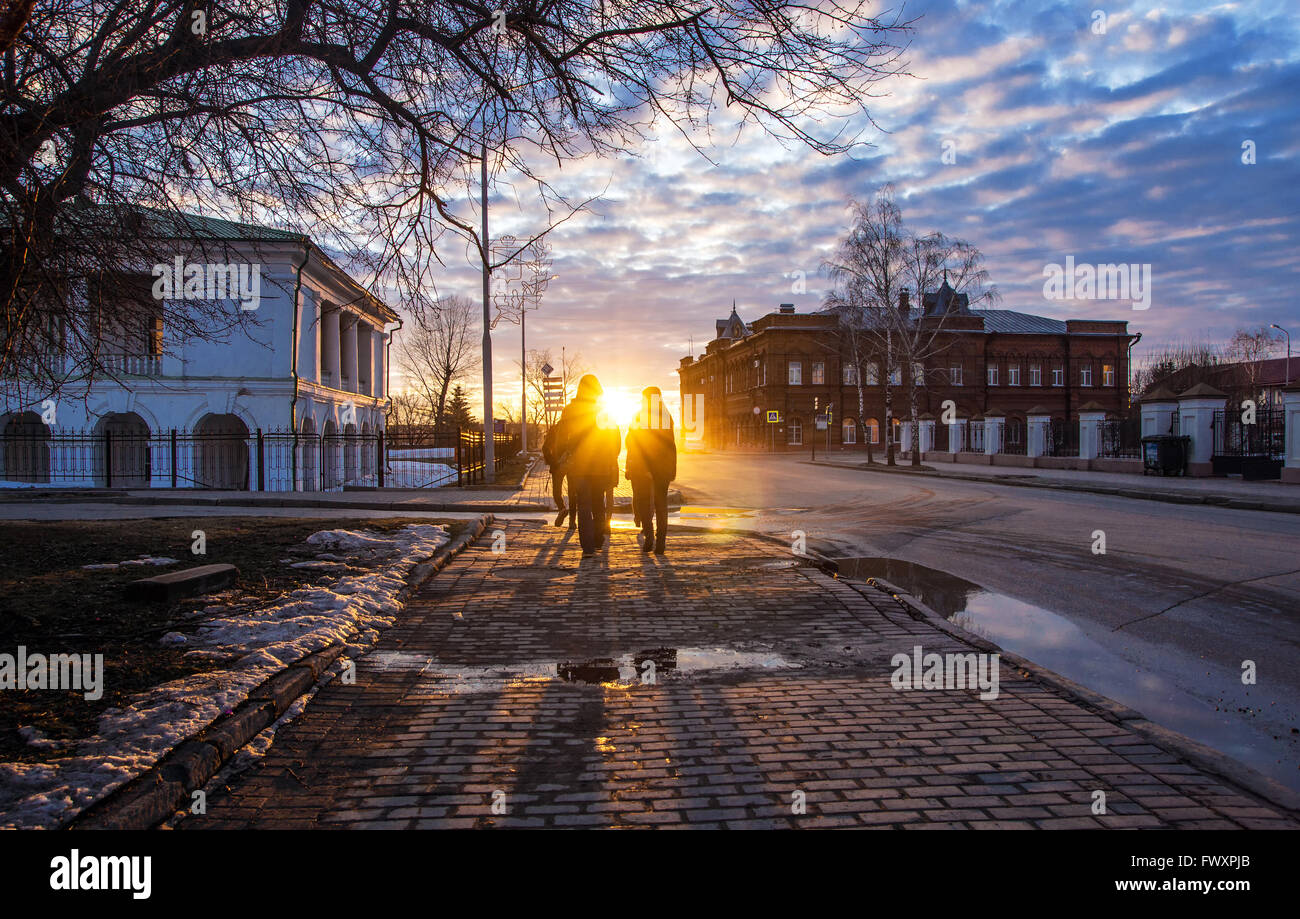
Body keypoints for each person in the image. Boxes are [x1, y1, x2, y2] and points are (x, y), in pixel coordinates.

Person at [554, 374, 621, 558]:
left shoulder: (570, 410)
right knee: (599, 503)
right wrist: (611, 457)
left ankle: (588, 547)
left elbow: (561, 438)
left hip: (578, 466)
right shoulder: (604, 411)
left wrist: (561, 457)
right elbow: (615, 439)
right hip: (600, 465)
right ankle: (598, 538)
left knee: (583, 504)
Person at [625, 386, 676, 555]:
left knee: (643, 503)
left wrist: (635, 465)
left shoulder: (639, 417)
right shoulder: (667, 416)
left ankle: (649, 537)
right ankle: (660, 542)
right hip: (661, 468)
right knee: (661, 505)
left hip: (643, 467)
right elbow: (671, 445)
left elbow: (632, 443)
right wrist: (670, 469)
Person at [541, 423, 573, 529]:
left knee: (556, 491)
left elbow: (545, 447)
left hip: (557, 464)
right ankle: (572, 522)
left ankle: (562, 508)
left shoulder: (555, 429)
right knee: (573, 493)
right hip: (572, 464)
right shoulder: (574, 428)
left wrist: (551, 461)